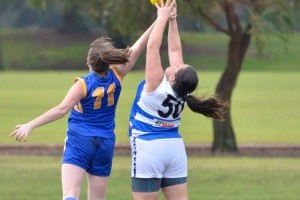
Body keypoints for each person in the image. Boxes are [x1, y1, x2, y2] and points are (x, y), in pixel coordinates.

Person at [9, 21, 156, 200]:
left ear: (88, 62)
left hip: (80, 140)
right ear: (109, 62)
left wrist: (30, 125)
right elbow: (138, 46)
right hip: (105, 143)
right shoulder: (118, 74)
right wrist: (159, 19)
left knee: (70, 195)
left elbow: (62, 109)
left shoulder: (83, 84)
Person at [128, 1, 227, 199]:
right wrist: (173, 21)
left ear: (173, 77)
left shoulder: (156, 83)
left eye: (177, 67)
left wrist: (162, 16)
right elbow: (174, 51)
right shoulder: (182, 91)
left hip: (149, 146)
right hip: (174, 148)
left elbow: (153, 47)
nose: (175, 65)